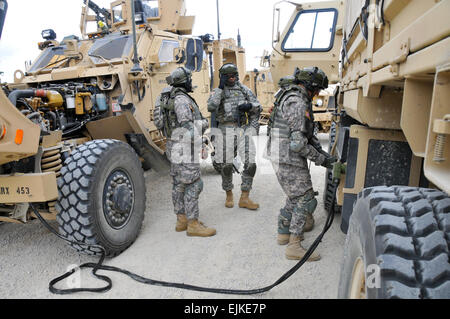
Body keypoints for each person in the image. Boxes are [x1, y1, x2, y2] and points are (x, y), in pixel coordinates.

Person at [266, 67, 337, 261]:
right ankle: (294, 246)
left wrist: (324, 155)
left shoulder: (293, 97)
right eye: (318, 90)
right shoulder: (297, 102)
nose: (318, 95)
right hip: (286, 155)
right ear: (311, 87)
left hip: (282, 153)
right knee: (304, 198)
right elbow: (298, 144)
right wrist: (323, 160)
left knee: (295, 195)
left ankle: (283, 232)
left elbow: (305, 135)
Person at [153, 67, 216, 237]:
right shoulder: (181, 100)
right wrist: (202, 135)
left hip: (173, 145)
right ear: (183, 81)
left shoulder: (167, 97)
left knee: (178, 184)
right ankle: (193, 224)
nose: (191, 82)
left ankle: (182, 220)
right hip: (185, 148)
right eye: (189, 79)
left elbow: (160, 123)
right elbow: (187, 128)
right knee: (194, 184)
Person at [207, 63, 262, 210]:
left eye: (234, 75)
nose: (232, 78)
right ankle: (229, 193)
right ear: (223, 77)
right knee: (226, 165)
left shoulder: (244, 90)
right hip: (225, 130)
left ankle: (245, 196)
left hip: (243, 129)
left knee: (251, 163)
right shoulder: (218, 92)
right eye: (228, 76)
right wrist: (220, 88)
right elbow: (211, 107)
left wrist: (250, 107)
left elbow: (258, 107)